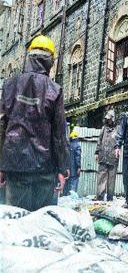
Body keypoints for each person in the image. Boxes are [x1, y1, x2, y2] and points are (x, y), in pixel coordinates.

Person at [0, 35, 69, 211]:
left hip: (16, 165)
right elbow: (59, 133)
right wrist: (62, 168)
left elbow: (2, 128)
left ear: (29, 57)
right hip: (44, 169)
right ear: (50, 61)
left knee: (17, 225)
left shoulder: (9, 85)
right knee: (42, 225)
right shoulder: (55, 90)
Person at [95, 110, 118, 201]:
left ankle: (110, 197)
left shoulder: (118, 129)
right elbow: (99, 140)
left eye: (109, 119)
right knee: (101, 177)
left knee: (111, 179)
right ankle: (100, 197)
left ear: (113, 119)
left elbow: (119, 142)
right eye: (107, 119)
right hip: (103, 156)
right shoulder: (103, 128)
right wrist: (97, 152)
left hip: (113, 157)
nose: (108, 121)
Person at [63, 131, 81, 195]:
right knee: (74, 183)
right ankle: (72, 198)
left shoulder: (67, 146)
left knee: (67, 184)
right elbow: (77, 157)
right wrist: (79, 167)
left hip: (67, 169)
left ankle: (65, 196)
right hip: (74, 169)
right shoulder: (77, 146)